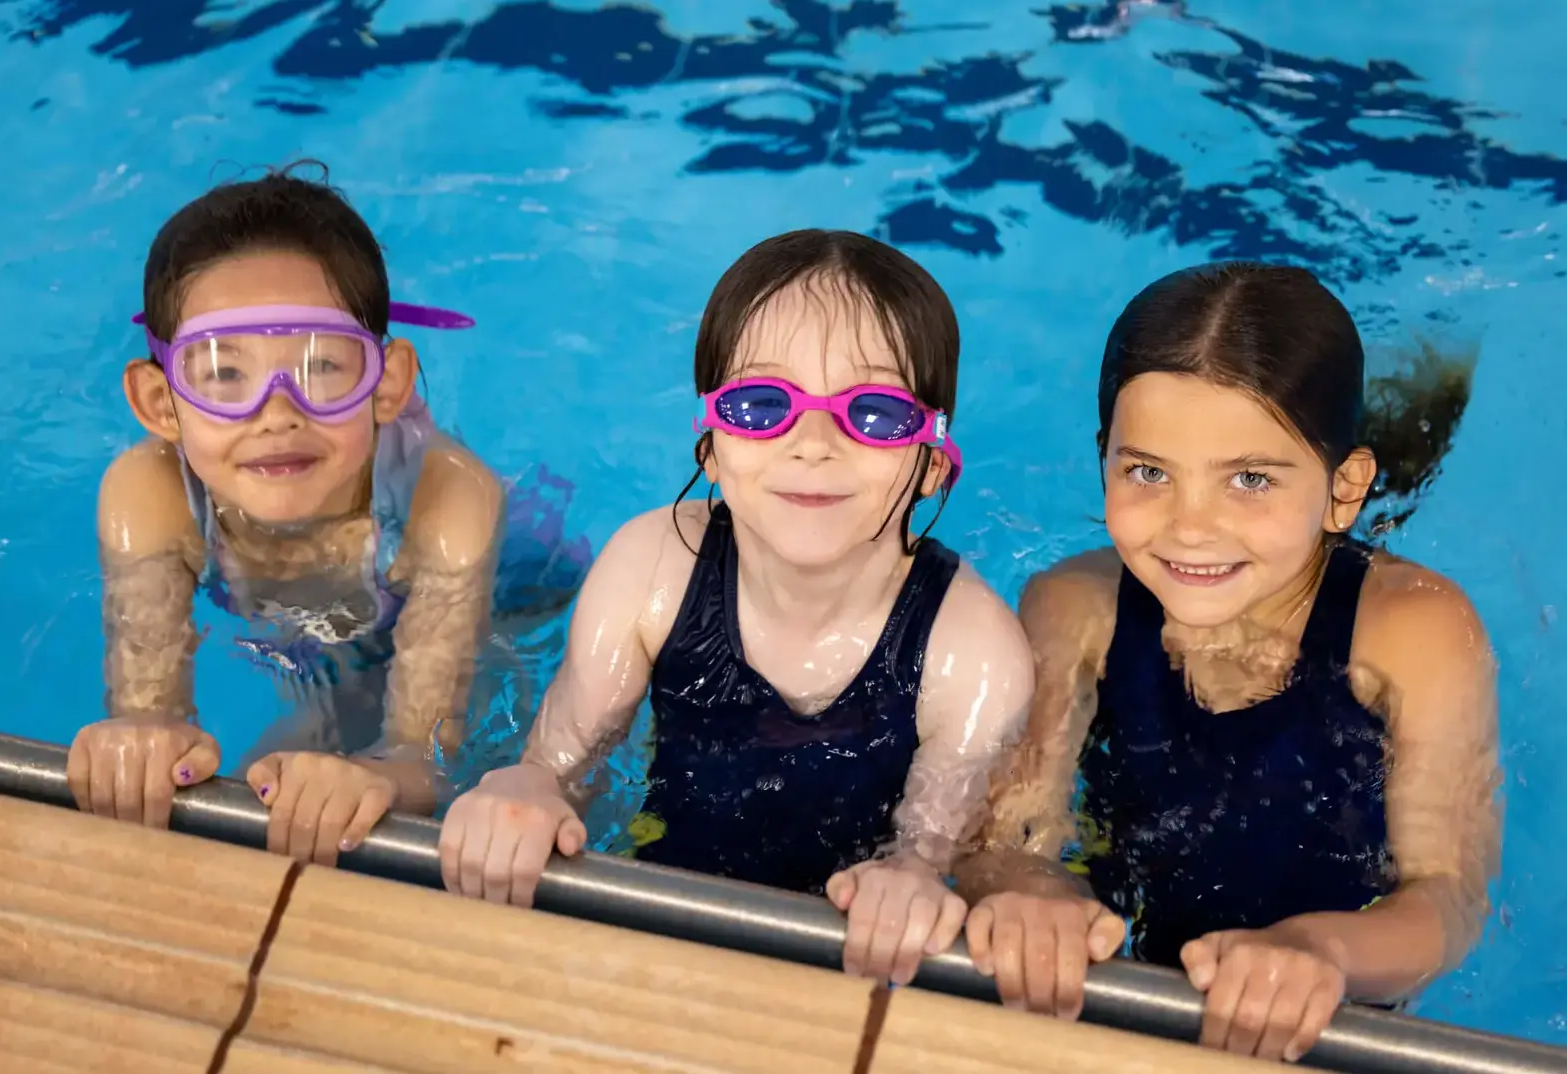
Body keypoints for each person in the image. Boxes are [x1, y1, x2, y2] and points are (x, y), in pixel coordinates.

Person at [437, 229, 1034, 986]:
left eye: (875, 413)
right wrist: (526, 791)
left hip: (852, 959)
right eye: (761, 405)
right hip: (661, 886)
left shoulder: (972, 650)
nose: (813, 444)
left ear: (932, 465)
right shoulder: (652, 569)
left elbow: (926, 857)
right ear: (710, 449)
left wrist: (910, 879)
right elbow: (560, 764)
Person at [956, 262, 1501, 1062]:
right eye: (1148, 472)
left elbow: (1447, 896)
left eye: (1249, 479)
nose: (1191, 529)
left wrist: (1325, 953)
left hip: (1332, 1010)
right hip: (1136, 968)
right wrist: (1032, 896)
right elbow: (1001, 838)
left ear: (1343, 490)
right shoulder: (1076, 607)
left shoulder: (1416, 633)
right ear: (1103, 456)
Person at [67, 165, 589, 866]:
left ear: (387, 383)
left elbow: (424, 754)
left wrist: (379, 771)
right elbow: (150, 719)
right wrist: (141, 738)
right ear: (161, 403)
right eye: (222, 373)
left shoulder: (451, 500)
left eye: (323, 367)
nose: (277, 414)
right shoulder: (149, 491)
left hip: (509, 593)